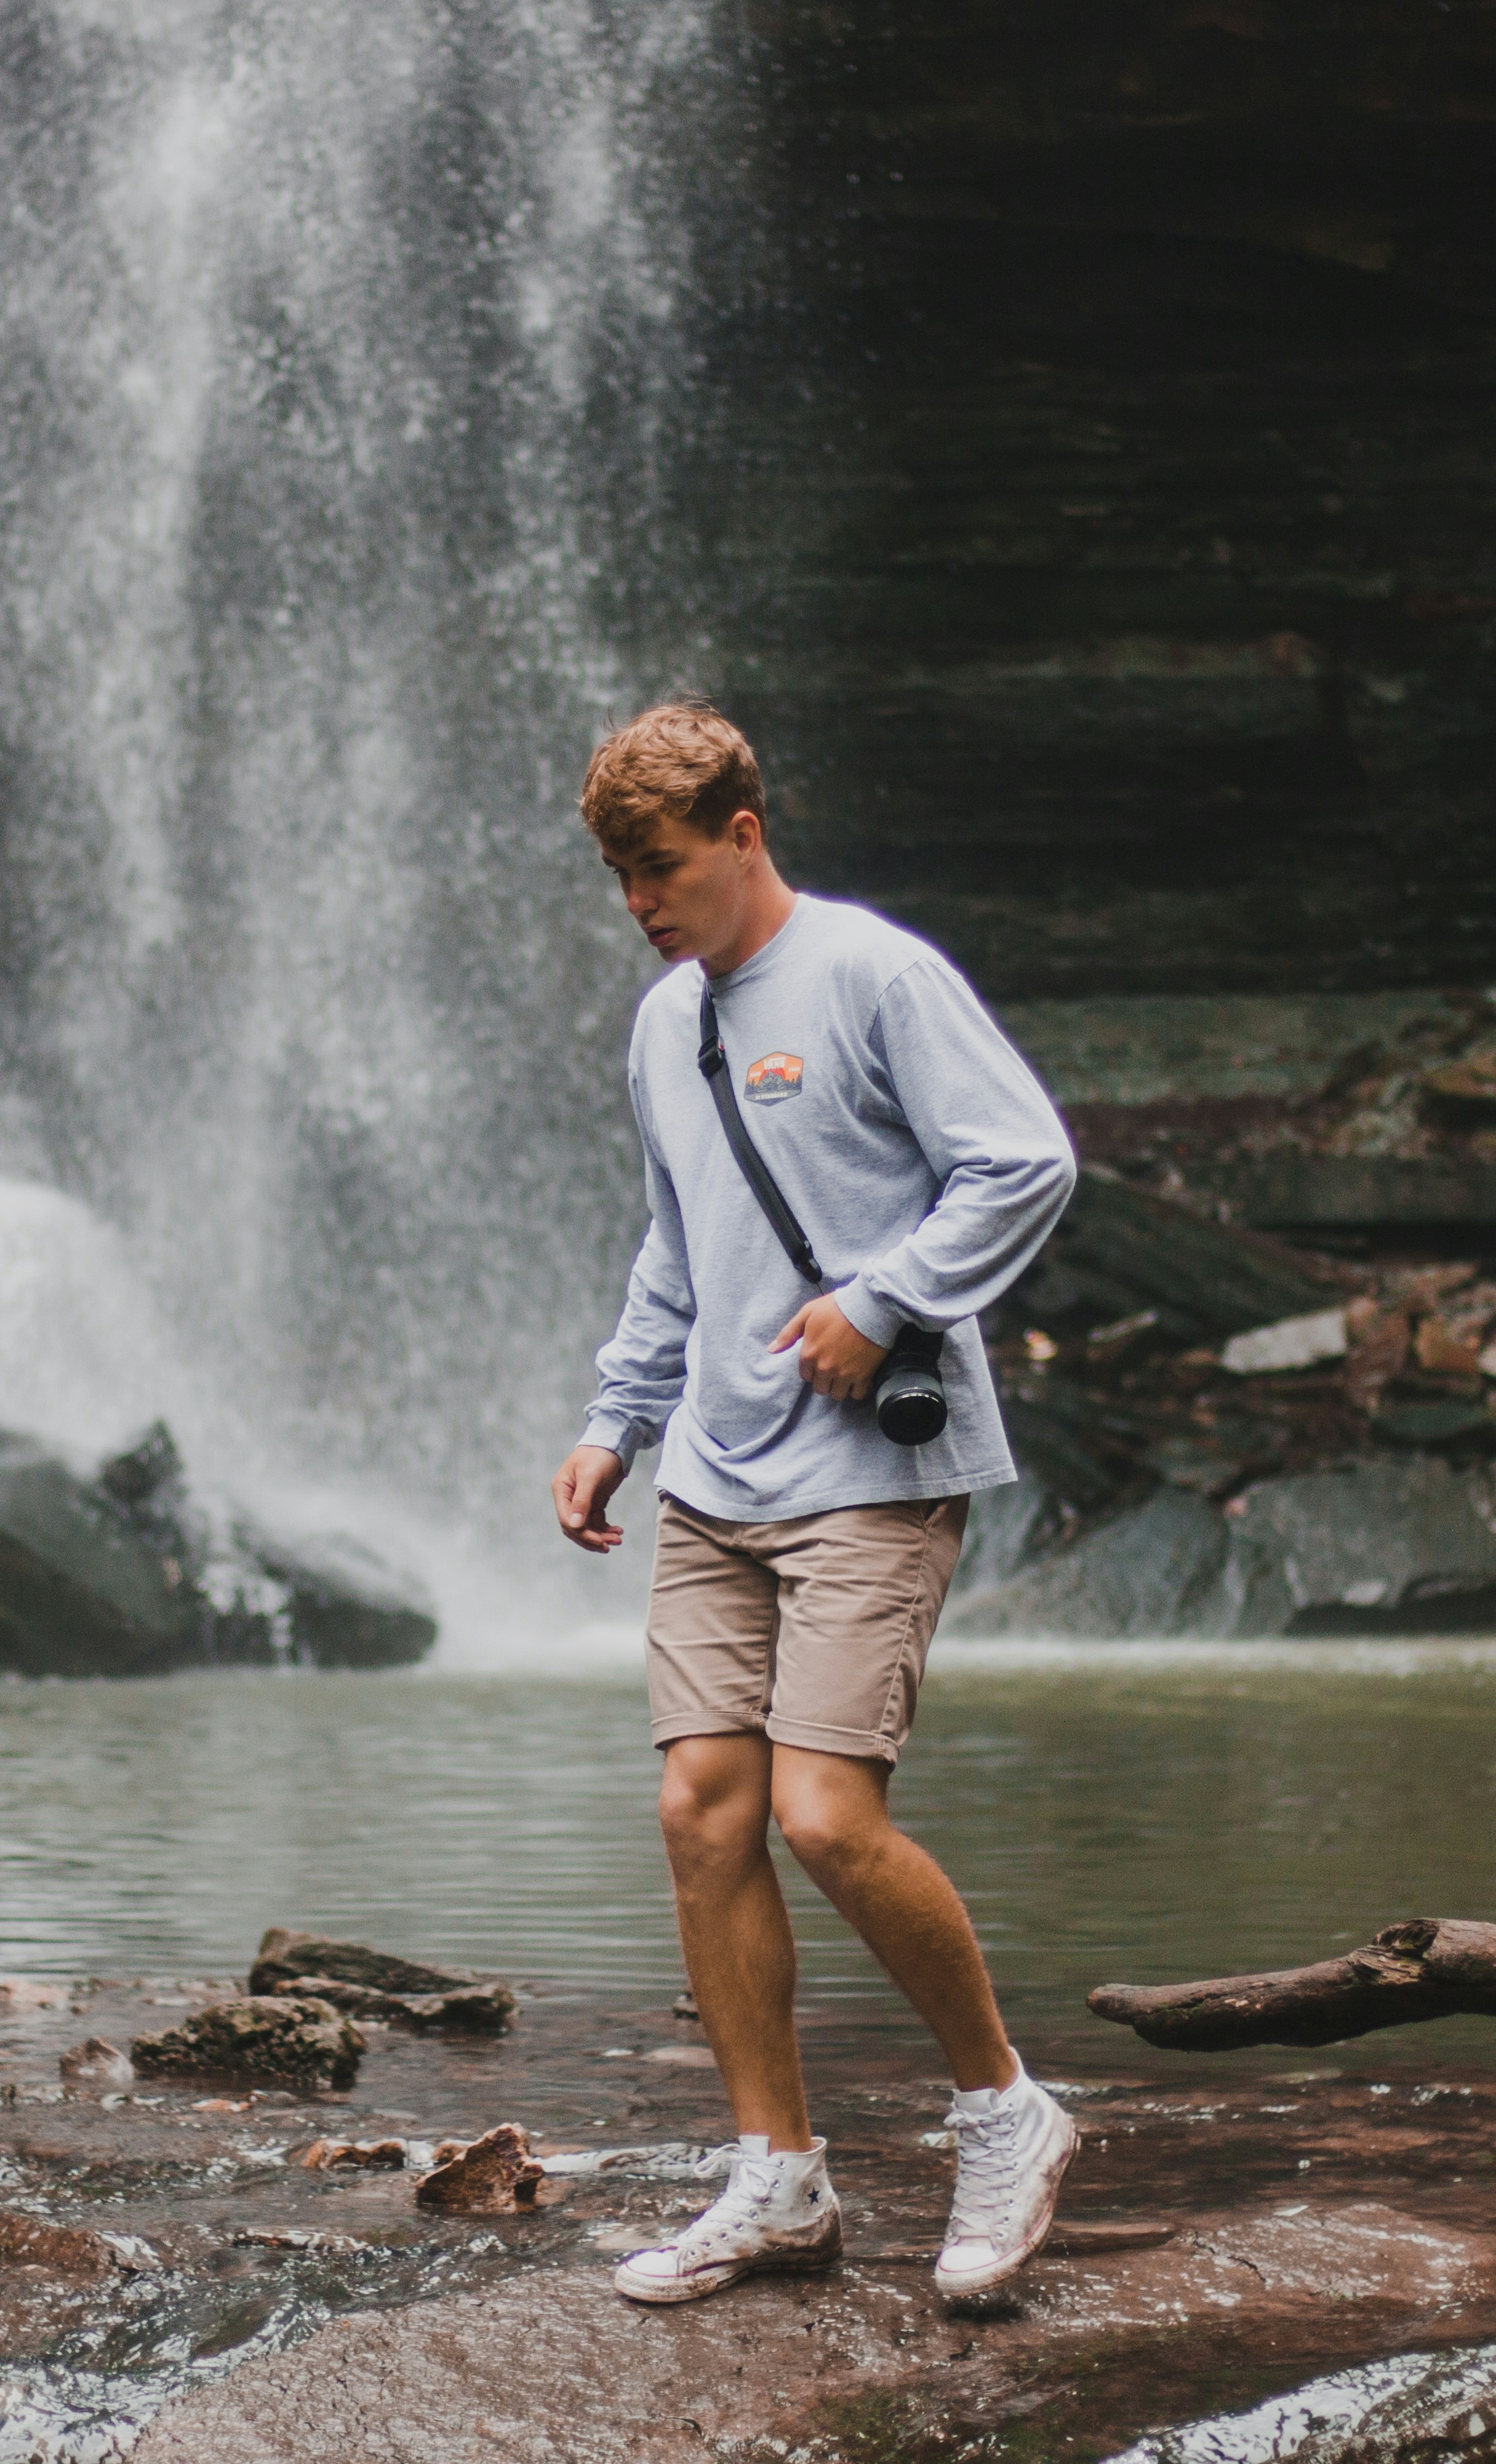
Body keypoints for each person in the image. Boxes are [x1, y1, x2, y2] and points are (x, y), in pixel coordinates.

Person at [548, 698, 1082, 2305]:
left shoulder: (872, 975)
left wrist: (886, 1299)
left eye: (661, 870)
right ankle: (778, 2176)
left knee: (825, 1815)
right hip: (715, 1471)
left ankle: (1008, 2109)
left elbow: (1025, 1161)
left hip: (871, 1472)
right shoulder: (665, 1023)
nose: (644, 904)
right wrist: (616, 1417)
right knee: (701, 1810)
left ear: (743, 837)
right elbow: (676, 1239)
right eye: (620, 880)